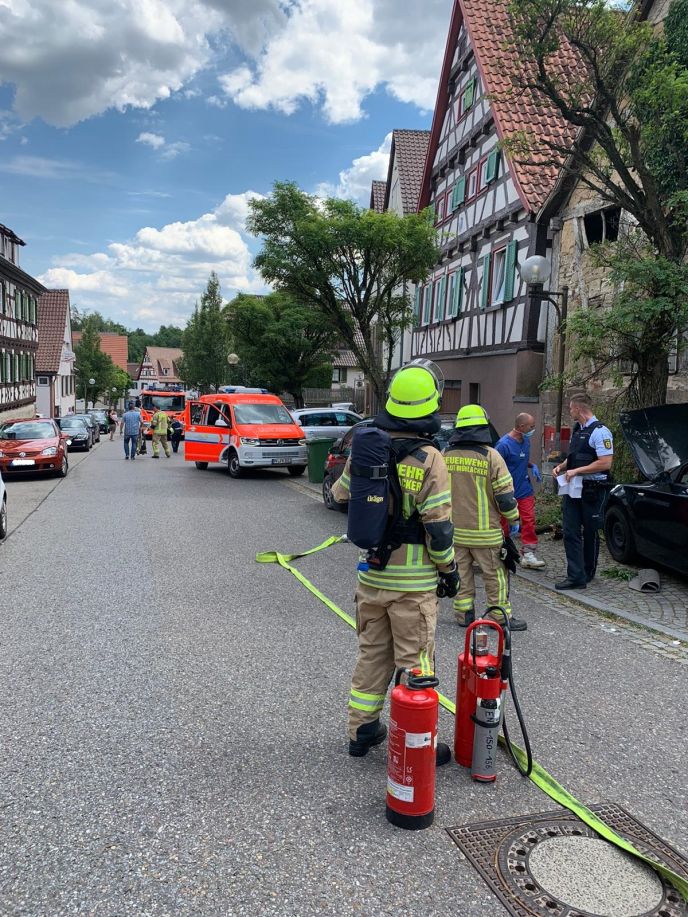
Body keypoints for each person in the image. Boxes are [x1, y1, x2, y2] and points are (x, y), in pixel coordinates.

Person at [331, 360, 458, 760]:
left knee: (372, 654)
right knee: (416, 661)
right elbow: (439, 528)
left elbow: (339, 495)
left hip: (371, 578)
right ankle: (421, 743)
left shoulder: (366, 448)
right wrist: (449, 570)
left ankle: (361, 730)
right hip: (414, 585)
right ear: (430, 406)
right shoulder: (430, 458)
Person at [444, 405, 527, 632]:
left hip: (455, 533)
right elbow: (505, 497)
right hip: (486, 534)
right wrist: (514, 519)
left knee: (460, 574)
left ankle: (463, 615)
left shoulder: (445, 455)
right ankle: (498, 618)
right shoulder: (491, 456)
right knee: (495, 577)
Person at [552, 393, 613, 590]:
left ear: (578, 409)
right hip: (573, 488)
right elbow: (575, 457)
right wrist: (561, 467)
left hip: (592, 490)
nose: (570, 412)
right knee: (570, 531)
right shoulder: (578, 430)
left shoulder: (601, 432)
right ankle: (576, 577)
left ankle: (588, 571)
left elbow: (605, 463)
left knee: (590, 531)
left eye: (570, 408)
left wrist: (577, 470)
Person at [495, 413, 545, 569]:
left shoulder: (526, 440)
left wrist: (531, 466)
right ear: (521, 426)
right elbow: (495, 467)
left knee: (529, 520)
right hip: (507, 491)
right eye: (531, 426)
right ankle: (505, 550)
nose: (533, 429)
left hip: (524, 489)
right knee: (504, 523)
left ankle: (529, 554)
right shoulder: (503, 445)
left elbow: (520, 458)